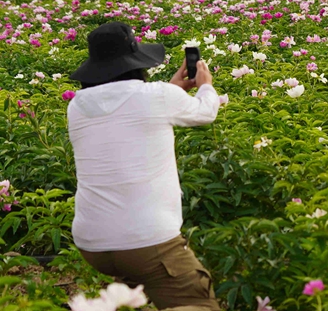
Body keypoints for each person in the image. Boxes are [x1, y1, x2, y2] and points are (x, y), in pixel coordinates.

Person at [67, 21, 222, 311]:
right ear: (135, 62)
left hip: (93, 244)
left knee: (130, 298)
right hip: (146, 241)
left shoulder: (76, 106)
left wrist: (171, 90)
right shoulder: (158, 96)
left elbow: (127, 111)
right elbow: (205, 112)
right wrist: (205, 85)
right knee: (200, 304)